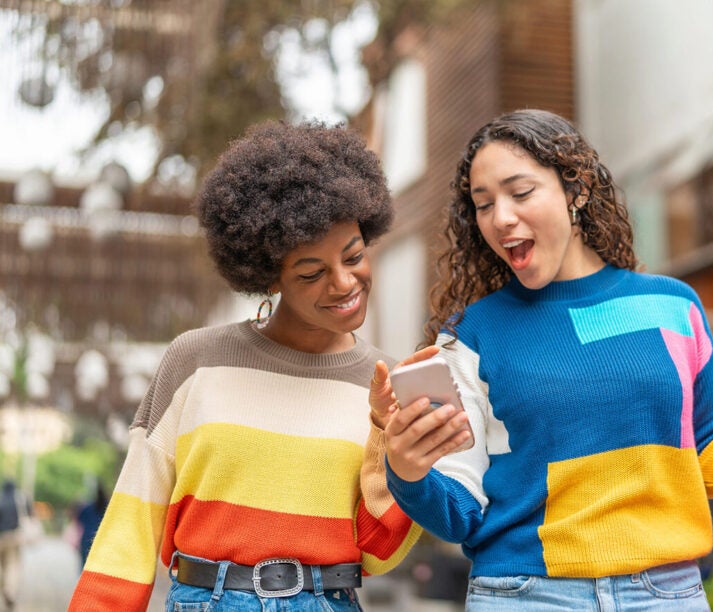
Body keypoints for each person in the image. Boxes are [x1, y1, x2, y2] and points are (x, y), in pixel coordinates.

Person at [375, 109, 713, 611]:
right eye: (483, 205)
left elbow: (706, 455)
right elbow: (461, 512)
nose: (500, 218)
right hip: (525, 595)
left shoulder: (674, 308)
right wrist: (407, 473)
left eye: (520, 193)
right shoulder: (473, 335)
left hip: (668, 595)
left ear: (578, 189)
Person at [69, 120, 428, 611]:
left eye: (354, 256)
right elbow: (132, 520)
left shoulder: (385, 382)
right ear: (269, 276)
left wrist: (405, 465)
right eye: (312, 272)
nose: (345, 283)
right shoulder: (195, 359)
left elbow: (377, 554)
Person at [0, 479, 22, 610]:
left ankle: (4, 585)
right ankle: (9, 591)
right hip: (13, 537)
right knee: (12, 566)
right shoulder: (18, 500)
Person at [75, 483, 108, 567]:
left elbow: (78, 521)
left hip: (86, 539)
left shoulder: (87, 508)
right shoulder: (107, 509)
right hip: (102, 540)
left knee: (85, 566)